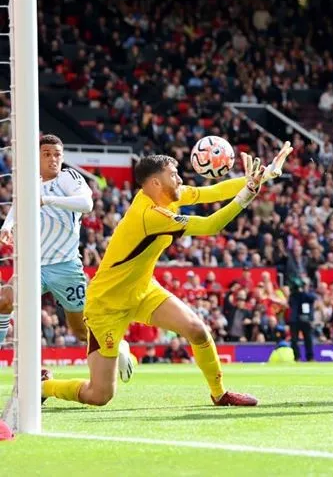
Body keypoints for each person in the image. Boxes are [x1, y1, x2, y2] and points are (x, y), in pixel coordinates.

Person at [41, 143, 293, 407]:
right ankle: (45, 385)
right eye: (173, 174)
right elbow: (210, 225)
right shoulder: (150, 215)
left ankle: (220, 394)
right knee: (99, 395)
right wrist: (246, 196)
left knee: (197, 330)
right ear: (155, 183)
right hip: (107, 305)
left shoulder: (166, 196)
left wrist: (264, 176)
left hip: (142, 291)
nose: (180, 178)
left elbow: (212, 191)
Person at [0, 134, 133, 382]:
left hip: (66, 267)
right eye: (47, 154)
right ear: (37, 157)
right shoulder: (28, 182)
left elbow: (86, 204)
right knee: (4, 300)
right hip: (33, 264)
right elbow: (19, 207)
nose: (53, 159)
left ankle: (119, 346)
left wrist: (47, 199)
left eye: (57, 154)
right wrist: (7, 226)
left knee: (81, 331)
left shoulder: (69, 178)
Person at [288, 277, 316, 362]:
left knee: (308, 339)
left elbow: (312, 298)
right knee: (294, 340)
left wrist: (303, 291)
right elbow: (291, 303)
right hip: (295, 319)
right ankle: (297, 357)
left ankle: (310, 357)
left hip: (305, 319)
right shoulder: (293, 295)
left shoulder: (308, 294)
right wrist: (299, 291)